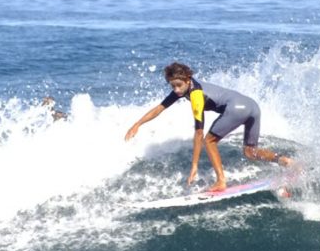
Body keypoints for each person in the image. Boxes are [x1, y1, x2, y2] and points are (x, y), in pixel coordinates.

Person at [124, 62, 293, 192]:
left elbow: (199, 134)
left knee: (209, 141)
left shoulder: (196, 95)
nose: (176, 90)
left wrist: (194, 165)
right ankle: (284, 161)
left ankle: (221, 181)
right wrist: (137, 124)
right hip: (252, 106)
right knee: (250, 151)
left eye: (178, 85)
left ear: (187, 80)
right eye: (172, 86)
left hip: (236, 109)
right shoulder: (185, 89)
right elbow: (160, 108)